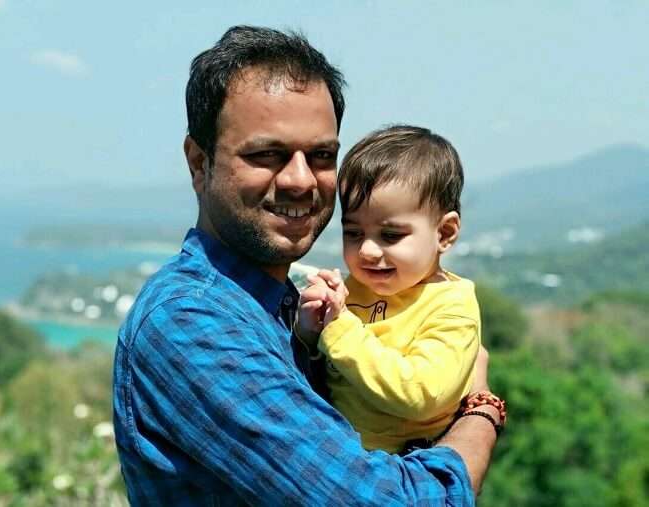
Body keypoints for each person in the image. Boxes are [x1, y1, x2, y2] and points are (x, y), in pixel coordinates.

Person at [113, 25, 504, 506]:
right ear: (199, 162)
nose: (301, 180)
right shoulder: (192, 323)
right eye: (266, 154)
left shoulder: (288, 309)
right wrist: (479, 413)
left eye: (321, 155)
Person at [296, 125, 488, 454]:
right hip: (338, 455)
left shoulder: (451, 307)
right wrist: (309, 330)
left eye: (390, 235)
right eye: (354, 233)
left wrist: (339, 328)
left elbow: (421, 395)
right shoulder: (353, 289)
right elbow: (328, 367)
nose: (368, 251)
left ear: (444, 233)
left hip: (403, 468)